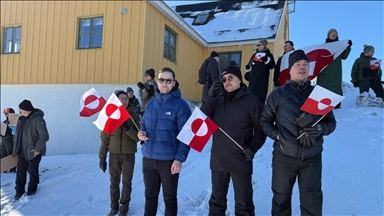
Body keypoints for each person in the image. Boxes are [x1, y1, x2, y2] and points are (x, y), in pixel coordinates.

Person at [259, 50, 337, 215]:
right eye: (298, 65)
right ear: (290, 69)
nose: (302, 68)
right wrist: (280, 136)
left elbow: (331, 123)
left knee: (312, 201)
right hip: (283, 157)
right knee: (281, 200)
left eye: (305, 65)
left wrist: (320, 129)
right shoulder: (278, 94)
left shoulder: (319, 95)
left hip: (312, 158)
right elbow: (264, 122)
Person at [201, 65, 266, 216]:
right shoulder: (216, 101)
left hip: (241, 159)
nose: (227, 82)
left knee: (244, 204)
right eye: (224, 79)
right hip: (219, 160)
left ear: (239, 79)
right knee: (216, 202)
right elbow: (201, 120)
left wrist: (253, 147)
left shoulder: (252, 102)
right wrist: (210, 97)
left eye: (230, 78)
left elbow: (261, 130)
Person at [138, 67, 192, 216]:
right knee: (150, 197)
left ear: (173, 83)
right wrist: (141, 134)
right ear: (157, 81)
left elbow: (186, 136)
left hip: (168, 161)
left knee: (169, 199)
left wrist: (179, 159)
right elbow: (143, 125)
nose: (164, 83)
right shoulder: (151, 104)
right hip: (148, 158)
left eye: (168, 81)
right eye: (162, 80)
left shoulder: (181, 106)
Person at [99, 90, 141, 216]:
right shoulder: (111, 115)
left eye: (126, 99)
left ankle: (124, 208)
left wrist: (127, 128)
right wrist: (102, 157)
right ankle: (114, 207)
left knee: (127, 182)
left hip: (129, 155)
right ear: (117, 100)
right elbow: (105, 138)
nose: (124, 101)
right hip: (114, 154)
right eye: (121, 98)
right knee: (114, 182)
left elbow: (138, 137)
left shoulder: (134, 117)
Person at [13, 100, 49, 200]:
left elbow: (44, 136)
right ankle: (19, 192)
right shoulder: (20, 119)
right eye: (20, 111)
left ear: (28, 110)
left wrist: (37, 149)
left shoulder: (38, 119)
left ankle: (32, 190)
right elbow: (17, 135)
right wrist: (16, 148)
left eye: (22, 111)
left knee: (32, 171)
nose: (21, 113)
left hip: (33, 152)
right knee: (20, 172)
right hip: (22, 151)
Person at [316, 28, 352, 108]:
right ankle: (320, 105)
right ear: (328, 35)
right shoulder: (323, 47)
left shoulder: (340, 46)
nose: (334, 34)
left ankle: (336, 105)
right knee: (322, 87)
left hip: (336, 71)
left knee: (335, 87)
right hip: (324, 71)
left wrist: (348, 47)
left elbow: (344, 57)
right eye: (332, 32)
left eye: (335, 33)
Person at [244, 39, 276, 104]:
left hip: (262, 82)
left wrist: (266, 60)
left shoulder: (269, 55)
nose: (258, 46)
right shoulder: (254, 55)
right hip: (253, 82)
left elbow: (272, 65)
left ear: (264, 46)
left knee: (259, 101)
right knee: (250, 99)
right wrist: (248, 69)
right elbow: (250, 65)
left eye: (259, 45)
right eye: (257, 45)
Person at [1, 107, 16, 173]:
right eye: (5, 113)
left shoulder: (14, 121)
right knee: (2, 153)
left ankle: (12, 168)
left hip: (10, 139)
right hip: (4, 139)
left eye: (7, 113)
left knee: (10, 153)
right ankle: (4, 168)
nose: (6, 115)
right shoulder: (5, 121)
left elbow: (14, 131)